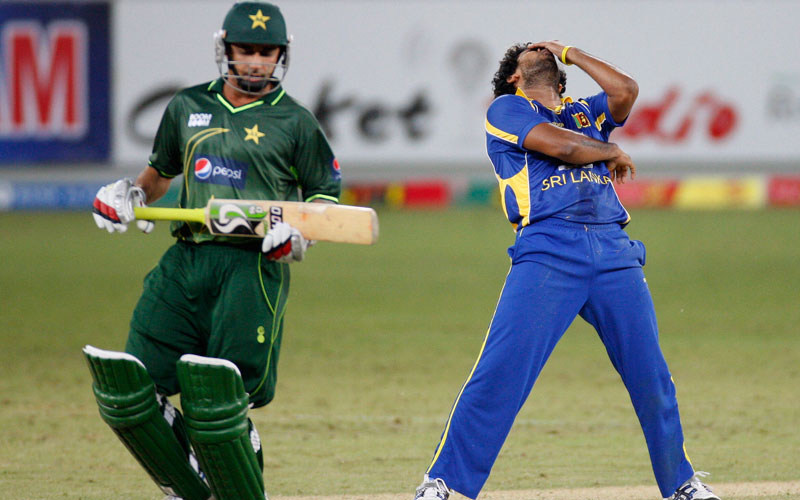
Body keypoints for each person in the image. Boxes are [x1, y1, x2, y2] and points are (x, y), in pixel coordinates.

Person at [413, 41, 720, 500]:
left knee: (651, 376)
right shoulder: (506, 109)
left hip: (614, 250)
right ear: (515, 77)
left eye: (546, 56)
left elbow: (627, 91)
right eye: (524, 56)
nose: (535, 52)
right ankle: (444, 484)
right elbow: (560, 146)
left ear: (559, 79)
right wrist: (610, 149)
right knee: (500, 372)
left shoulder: (583, 112)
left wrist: (571, 52)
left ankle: (681, 485)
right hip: (549, 248)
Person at [84, 3, 340, 500]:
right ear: (227, 51)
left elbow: (324, 197)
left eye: (267, 53)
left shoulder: (295, 120)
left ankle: (234, 473)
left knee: (217, 402)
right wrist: (129, 194)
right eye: (246, 51)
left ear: (280, 57)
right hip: (186, 261)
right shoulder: (185, 107)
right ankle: (187, 485)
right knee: (132, 389)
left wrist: (299, 234)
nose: (255, 63)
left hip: (251, 265)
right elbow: (158, 175)